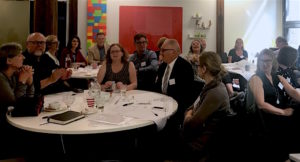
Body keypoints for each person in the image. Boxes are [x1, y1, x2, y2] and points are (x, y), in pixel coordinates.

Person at [249, 49, 300, 161]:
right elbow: (261, 104)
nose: (265, 63)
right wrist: (283, 112)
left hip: (279, 115)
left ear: (273, 62)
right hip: (267, 118)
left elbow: (294, 93)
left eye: (268, 60)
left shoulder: (278, 77)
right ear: (258, 62)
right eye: (262, 61)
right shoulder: (256, 79)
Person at [183, 51, 230, 160]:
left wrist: (188, 115)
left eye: (198, 66)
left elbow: (192, 123)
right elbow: (192, 107)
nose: (197, 68)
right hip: (202, 135)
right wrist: (189, 113)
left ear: (204, 69)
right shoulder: (210, 86)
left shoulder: (215, 92)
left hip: (202, 142)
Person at [0, 43, 34, 157]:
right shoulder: (1, 78)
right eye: (19, 55)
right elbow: (14, 103)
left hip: (13, 120)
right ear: (9, 61)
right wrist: (22, 82)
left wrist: (29, 82)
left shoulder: (14, 75)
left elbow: (28, 101)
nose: (23, 57)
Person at [154, 38, 194, 127]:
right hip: (159, 106)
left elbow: (185, 94)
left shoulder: (185, 67)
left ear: (173, 52)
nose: (160, 53)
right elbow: (157, 87)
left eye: (163, 50)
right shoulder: (163, 66)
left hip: (175, 109)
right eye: (160, 50)